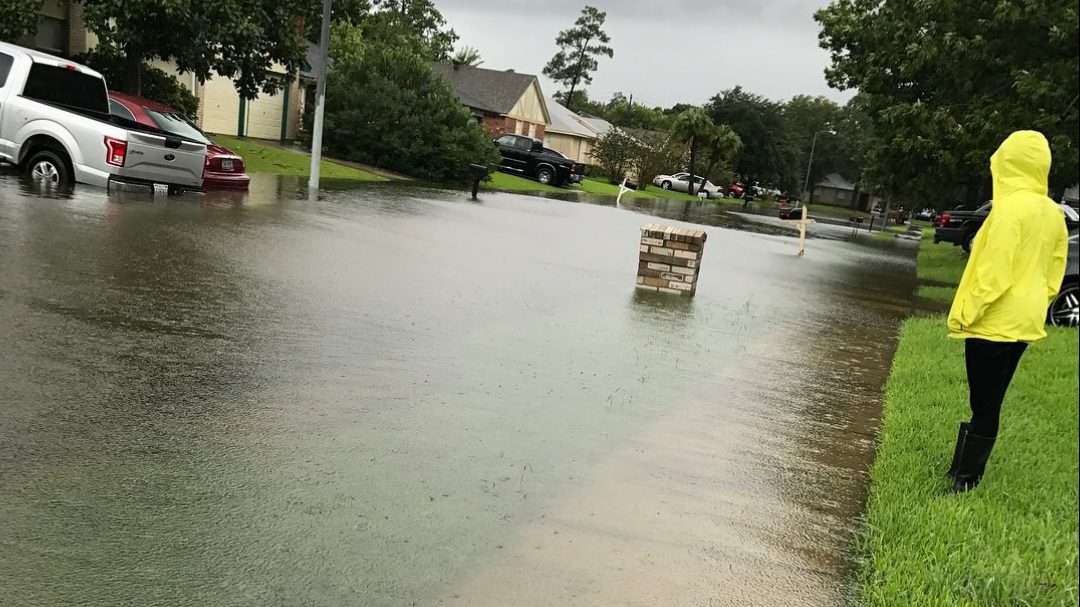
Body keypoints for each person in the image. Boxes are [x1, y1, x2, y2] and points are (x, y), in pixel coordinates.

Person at [945, 130, 1069, 493]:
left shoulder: (1009, 209)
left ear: (1007, 163)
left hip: (993, 320)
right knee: (991, 397)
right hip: (1024, 321)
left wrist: (967, 312)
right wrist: (1036, 301)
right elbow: (1055, 270)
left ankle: (965, 481)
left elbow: (994, 273)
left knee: (984, 402)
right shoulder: (1053, 213)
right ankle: (959, 470)